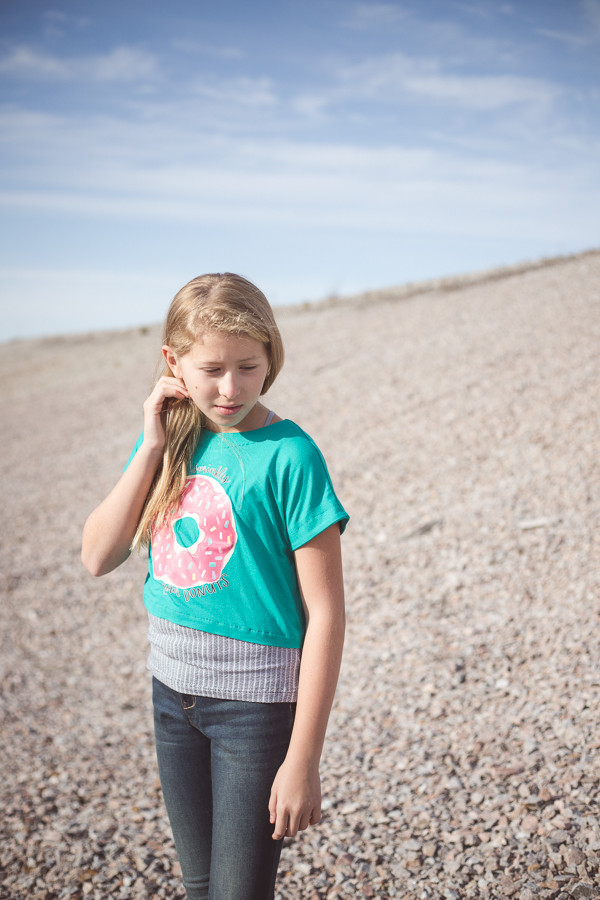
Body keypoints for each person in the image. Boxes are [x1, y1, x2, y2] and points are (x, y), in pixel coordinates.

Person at [81, 273, 348, 900]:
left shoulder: (291, 455)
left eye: (248, 368)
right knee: (199, 886)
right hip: (171, 698)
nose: (230, 389)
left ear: (271, 359)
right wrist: (150, 445)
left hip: (254, 711)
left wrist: (303, 758)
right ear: (173, 363)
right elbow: (97, 555)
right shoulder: (174, 440)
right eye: (211, 369)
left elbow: (327, 614)